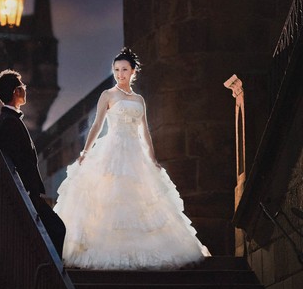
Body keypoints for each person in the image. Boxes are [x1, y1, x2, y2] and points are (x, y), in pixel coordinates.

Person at [53, 48, 211, 270]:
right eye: (116, 70)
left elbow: (144, 130)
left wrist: (152, 158)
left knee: (144, 201)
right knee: (111, 197)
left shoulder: (139, 99)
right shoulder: (107, 95)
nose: (120, 74)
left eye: (124, 70)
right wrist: (86, 152)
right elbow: (97, 125)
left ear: (133, 71)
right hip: (112, 149)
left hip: (135, 153)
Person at [0, 69, 66, 256]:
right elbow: (19, 160)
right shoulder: (9, 122)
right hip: (25, 192)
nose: (25, 89)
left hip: (26, 191)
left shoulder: (9, 120)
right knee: (56, 230)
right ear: (15, 92)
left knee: (50, 232)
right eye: (21, 86)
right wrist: (29, 191)